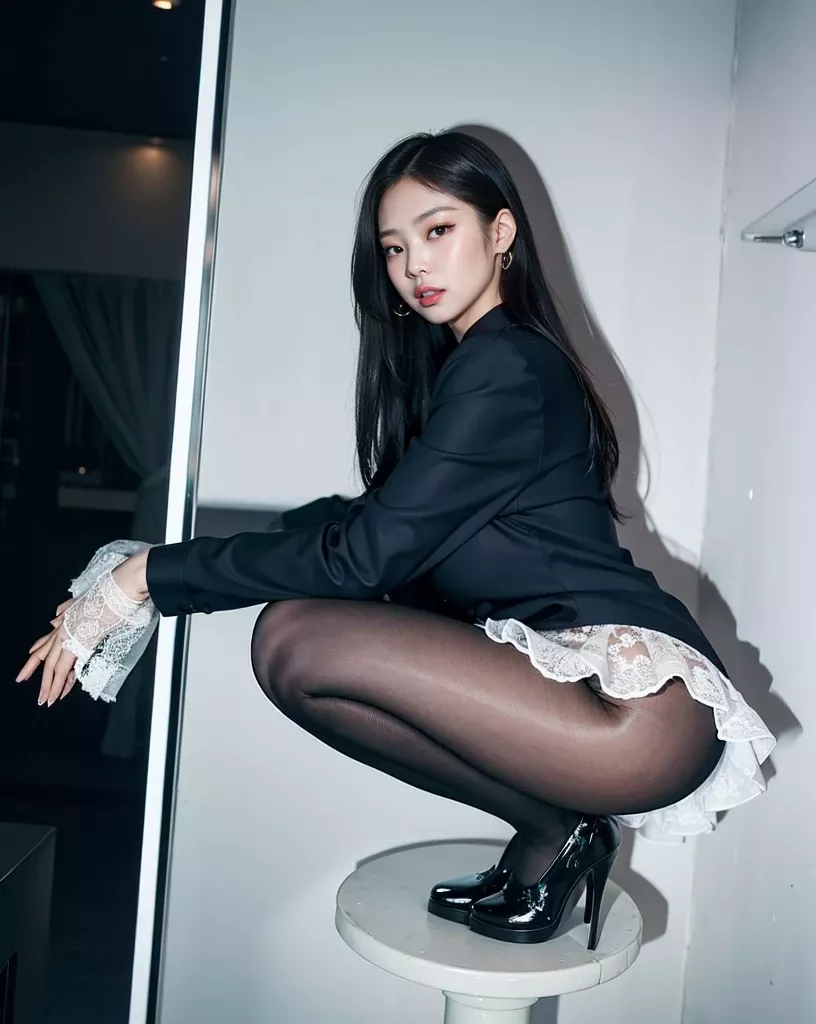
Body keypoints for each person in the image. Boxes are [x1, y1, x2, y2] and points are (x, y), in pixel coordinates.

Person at [17, 131, 775, 950]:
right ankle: (557, 831)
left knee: (295, 640)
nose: (415, 265)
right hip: (597, 700)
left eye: (438, 230)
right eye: (394, 247)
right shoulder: (476, 366)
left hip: (636, 712)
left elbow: (364, 555)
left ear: (502, 231)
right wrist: (159, 561)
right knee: (295, 644)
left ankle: (555, 828)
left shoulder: (505, 369)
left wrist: (146, 580)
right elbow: (365, 522)